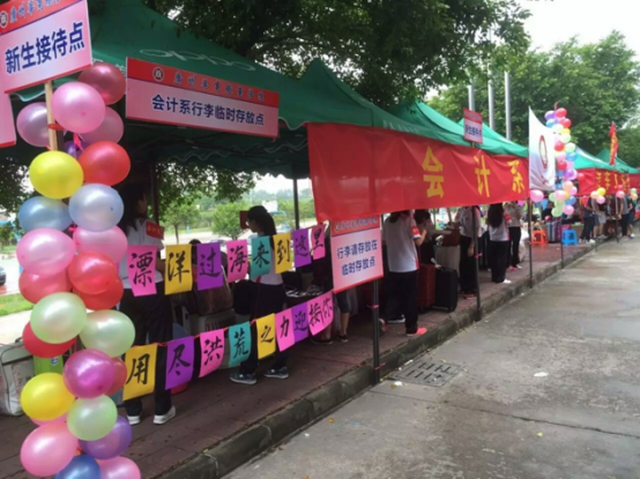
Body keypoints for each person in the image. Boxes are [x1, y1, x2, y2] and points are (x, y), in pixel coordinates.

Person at [117, 184, 176, 426]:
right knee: (161, 346)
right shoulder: (149, 226)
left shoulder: (113, 229)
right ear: (139, 202)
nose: (147, 202)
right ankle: (162, 408)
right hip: (152, 289)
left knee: (132, 348)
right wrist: (180, 267)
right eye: (145, 198)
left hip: (126, 293)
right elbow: (153, 262)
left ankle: (133, 410)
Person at [230, 206, 288, 385]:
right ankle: (280, 365)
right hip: (278, 287)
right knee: (278, 327)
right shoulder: (277, 239)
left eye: (249, 222)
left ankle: (248, 370)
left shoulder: (260, 242)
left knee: (255, 328)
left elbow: (257, 271)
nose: (248, 225)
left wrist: (243, 267)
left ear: (255, 222)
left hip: (263, 289)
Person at [381, 211, 427, 337]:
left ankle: (384, 318)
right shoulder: (409, 221)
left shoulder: (388, 221)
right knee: (410, 298)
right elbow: (418, 242)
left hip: (393, 266)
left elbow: (384, 241)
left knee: (395, 296)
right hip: (409, 266)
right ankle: (411, 328)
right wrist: (424, 232)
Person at [312, 226, 351, 344]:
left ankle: (327, 335)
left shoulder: (324, 242)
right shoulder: (344, 240)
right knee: (343, 302)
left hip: (328, 277)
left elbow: (319, 261)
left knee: (327, 304)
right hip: (341, 276)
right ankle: (343, 333)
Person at [455, 206, 482, 296]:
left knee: (471, 264)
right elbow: (460, 222)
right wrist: (455, 224)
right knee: (463, 264)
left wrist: (472, 246)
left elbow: (477, 229)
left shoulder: (475, 211)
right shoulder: (462, 209)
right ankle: (464, 287)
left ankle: (472, 289)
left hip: (473, 239)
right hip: (464, 237)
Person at [487, 203, 511, 285]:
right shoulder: (503, 212)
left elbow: (487, 223)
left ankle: (494, 277)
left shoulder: (489, 212)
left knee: (493, 259)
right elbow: (509, 222)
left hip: (492, 238)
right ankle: (500, 278)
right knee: (501, 259)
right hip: (503, 238)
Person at [505, 201, 523, 270]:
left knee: (516, 245)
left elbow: (520, 215)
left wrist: (515, 206)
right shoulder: (507, 205)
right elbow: (505, 215)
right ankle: (507, 263)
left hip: (516, 227)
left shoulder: (519, 205)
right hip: (508, 227)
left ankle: (515, 263)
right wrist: (507, 207)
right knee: (508, 245)